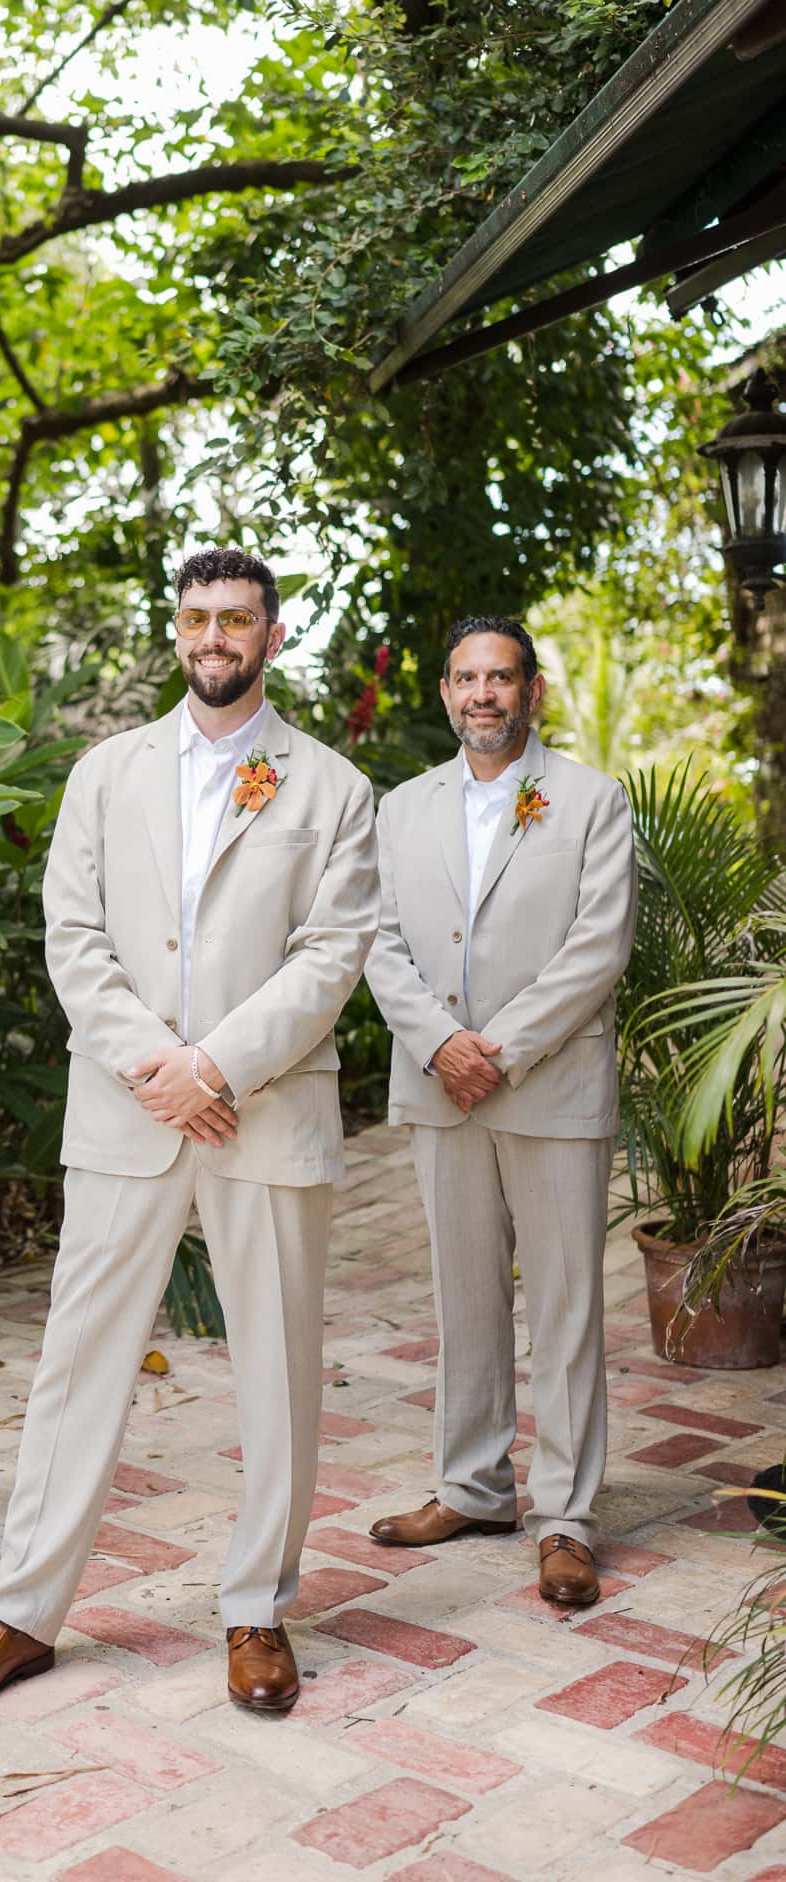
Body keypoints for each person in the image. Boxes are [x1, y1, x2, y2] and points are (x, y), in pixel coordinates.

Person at [0, 547, 379, 1719]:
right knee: (78, 1363)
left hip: (262, 1108)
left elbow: (331, 957)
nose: (213, 636)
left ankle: (257, 1608)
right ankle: (20, 1612)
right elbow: (74, 934)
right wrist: (157, 1068)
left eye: (236, 619)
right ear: (177, 634)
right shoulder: (106, 774)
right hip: (127, 1110)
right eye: (196, 618)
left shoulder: (331, 788)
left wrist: (213, 1063)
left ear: (272, 635)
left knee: (275, 1363)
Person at [365, 615, 637, 1606]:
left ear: (533, 693)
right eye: (467, 679)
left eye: (503, 678)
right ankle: (474, 1487)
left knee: (563, 1305)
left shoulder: (591, 800)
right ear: (445, 693)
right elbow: (375, 938)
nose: (484, 694)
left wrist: (501, 1049)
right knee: (465, 1296)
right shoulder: (400, 809)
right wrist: (440, 1044)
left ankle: (565, 1515)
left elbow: (597, 948)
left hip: (551, 1086)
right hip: (442, 1086)